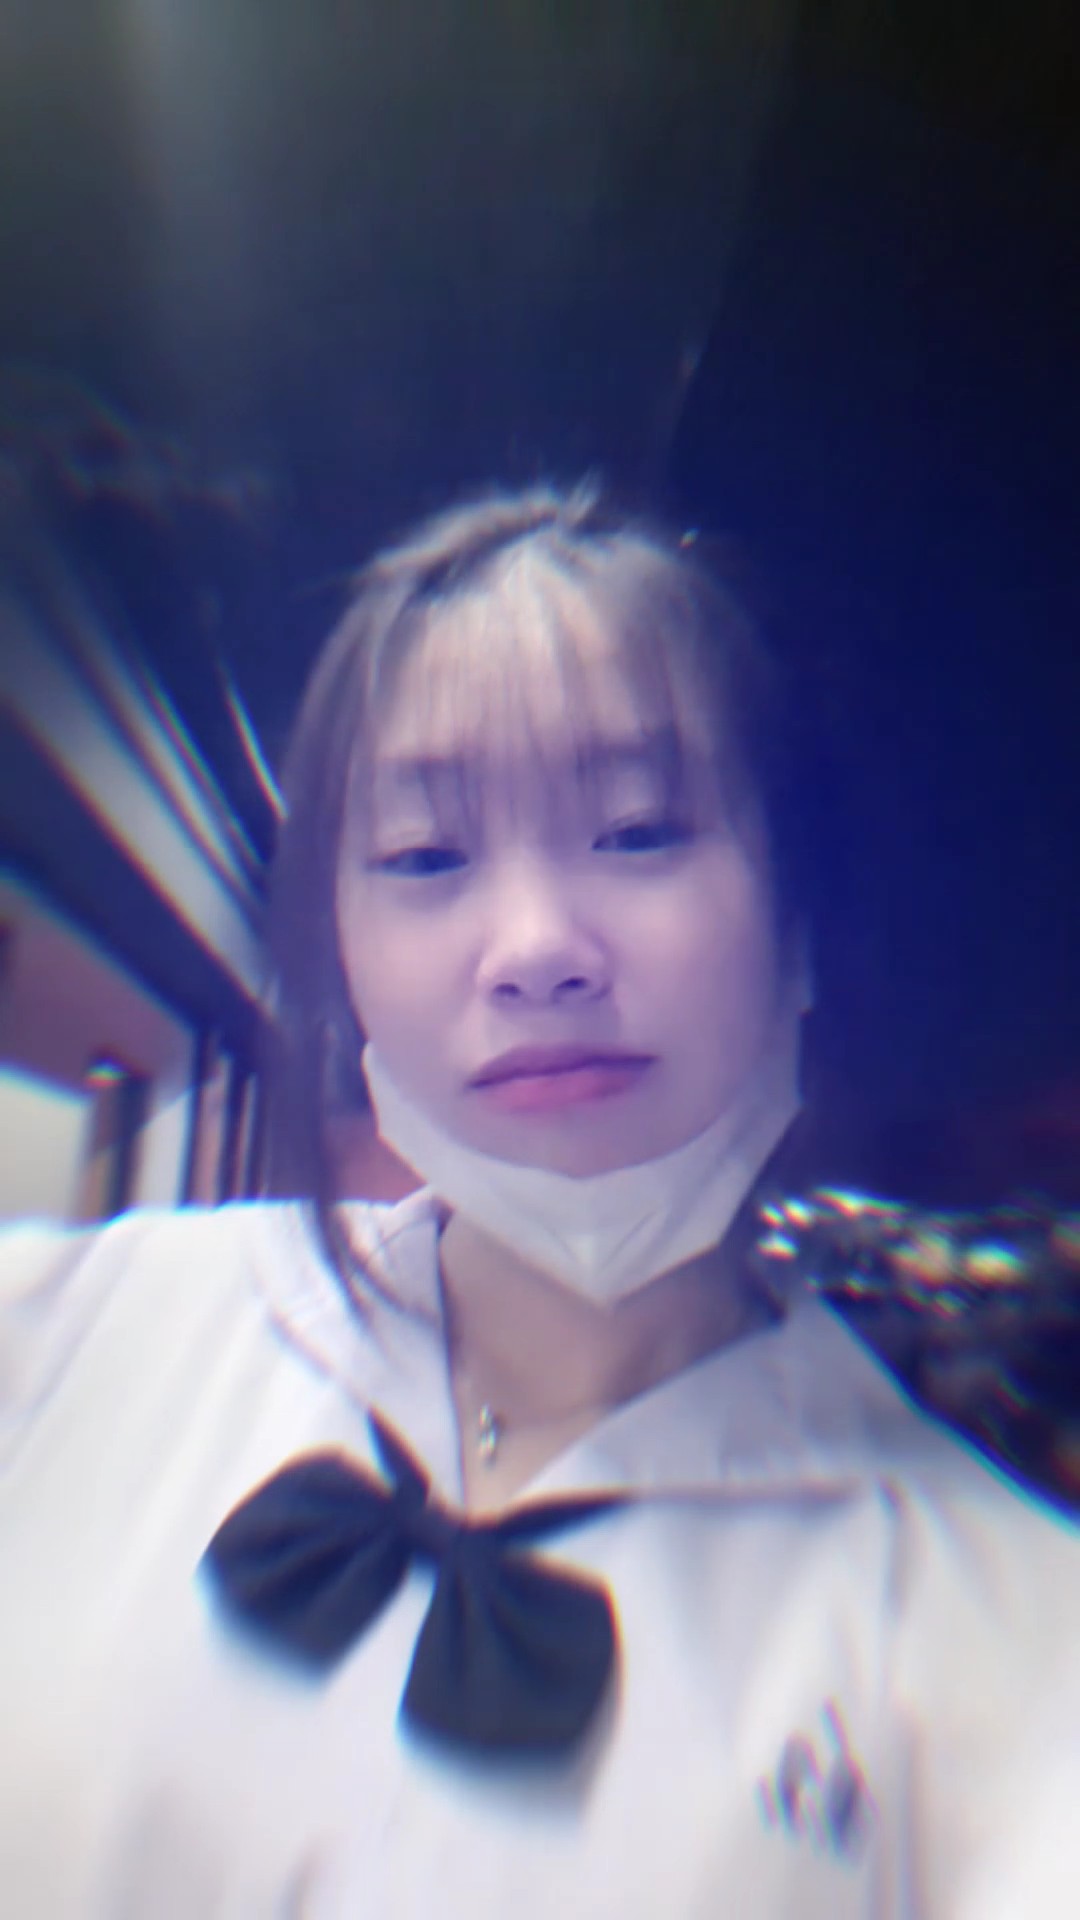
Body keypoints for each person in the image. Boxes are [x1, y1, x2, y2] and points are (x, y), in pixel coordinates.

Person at [1, 481, 1078, 1917]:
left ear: (802, 930)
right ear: (342, 957)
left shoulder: (1003, 1637)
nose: (535, 950)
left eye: (636, 832)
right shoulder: (68, 1338)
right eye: (426, 858)